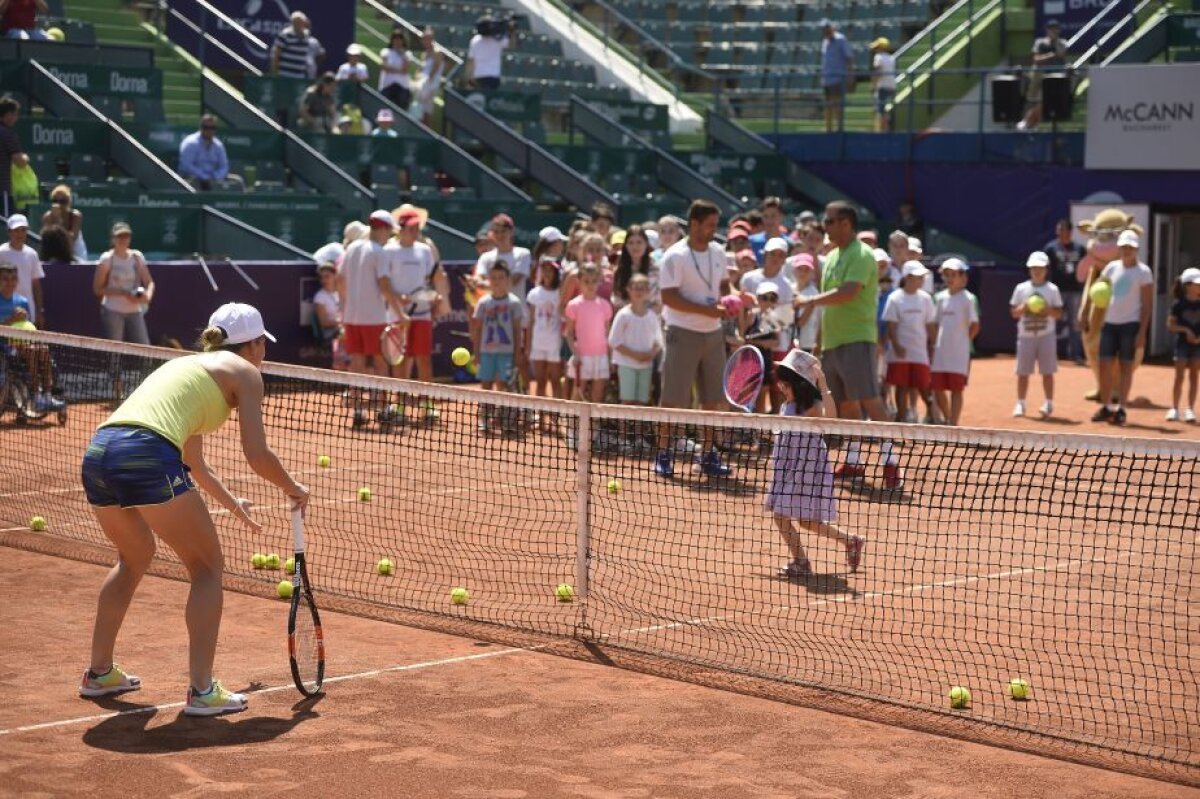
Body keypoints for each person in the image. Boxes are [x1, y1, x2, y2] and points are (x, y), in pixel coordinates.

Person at [79, 302, 309, 716]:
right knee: (206, 568)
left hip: (99, 453)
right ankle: (202, 691)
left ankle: (99, 672)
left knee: (134, 557)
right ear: (254, 345)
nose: (263, 353)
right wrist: (293, 488)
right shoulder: (246, 373)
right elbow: (257, 454)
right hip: (145, 452)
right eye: (262, 344)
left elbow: (195, 463)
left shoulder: (188, 367)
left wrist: (232, 505)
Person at [795, 201, 901, 489]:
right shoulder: (831, 257)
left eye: (830, 222)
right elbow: (828, 306)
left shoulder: (862, 254)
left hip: (857, 339)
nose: (825, 227)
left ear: (846, 224)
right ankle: (854, 461)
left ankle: (891, 462)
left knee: (871, 400)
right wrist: (819, 345)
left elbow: (848, 293)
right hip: (832, 341)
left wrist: (809, 300)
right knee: (846, 404)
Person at [766, 348, 864, 580]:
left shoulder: (812, 406)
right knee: (805, 521)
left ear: (799, 384)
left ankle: (801, 562)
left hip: (807, 468)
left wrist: (823, 383)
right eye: (781, 383)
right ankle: (850, 541)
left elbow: (831, 419)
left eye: (785, 383)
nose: (781, 387)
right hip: (788, 467)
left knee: (789, 516)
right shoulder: (786, 405)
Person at [655, 199, 734, 478]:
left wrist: (734, 299)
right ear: (694, 224)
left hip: (713, 334)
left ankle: (708, 454)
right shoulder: (675, 256)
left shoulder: (718, 252)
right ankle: (663, 454)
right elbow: (669, 297)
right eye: (710, 225)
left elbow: (724, 286)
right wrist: (707, 310)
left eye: (715, 224)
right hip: (682, 332)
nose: (714, 230)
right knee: (673, 400)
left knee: (712, 400)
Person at [381, 207, 445, 420]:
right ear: (400, 229)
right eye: (411, 228)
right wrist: (399, 298)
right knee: (400, 360)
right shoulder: (389, 250)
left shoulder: (425, 250)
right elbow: (384, 282)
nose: (415, 231)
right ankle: (399, 405)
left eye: (417, 227)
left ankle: (427, 405)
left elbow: (430, 281)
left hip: (422, 314)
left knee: (424, 360)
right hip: (397, 315)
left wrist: (434, 298)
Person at [1085, 230, 1154, 425]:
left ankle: (1122, 409)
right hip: (1109, 324)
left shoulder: (1143, 272)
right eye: (1124, 247)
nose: (1126, 250)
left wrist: (1142, 332)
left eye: (1130, 247)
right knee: (1104, 365)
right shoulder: (1111, 268)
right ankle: (1107, 407)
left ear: (1136, 249)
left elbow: (1147, 305)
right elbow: (1100, 289)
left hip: (1130, 326)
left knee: (1125, 367)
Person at [339, 210, 398, 425]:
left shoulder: (352, 248)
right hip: (374, 318)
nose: (389, 236)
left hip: (351, 317)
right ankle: (383, 410)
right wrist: (401, 313)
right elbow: (384, 285)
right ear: (383, 228)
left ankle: (358, 412)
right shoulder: (379, 252)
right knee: (381, 363)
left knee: (357, 363)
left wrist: (345, 308)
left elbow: (340, 280)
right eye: (390, 232)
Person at [470, 260, 526, 432]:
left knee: (505, 385)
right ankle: (485, 418)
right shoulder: (483, 302)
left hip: (506, 353)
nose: (497, 281)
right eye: (493, 277)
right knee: (486, 385)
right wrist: (476, 352)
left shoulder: (514, 303)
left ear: (508, 280)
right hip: (486, 352)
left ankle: (505, 418)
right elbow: (478, 329)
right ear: (489, 279)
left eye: (501, 277)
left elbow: (517, 330)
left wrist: (517, 353)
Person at [0, 261, 60, 411]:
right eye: (5, 279)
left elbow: (27, 327)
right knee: (32, 351)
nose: (10, 282)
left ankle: (47, 395)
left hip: (22, 344)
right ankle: (35, 395)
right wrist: (11, 320)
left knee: (43, 349)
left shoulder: (22, 301)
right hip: (3, 347)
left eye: (13, 278)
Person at [1010, 251, 1063, 418]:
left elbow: (1058, 313)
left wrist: (1047, 309)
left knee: (1047, 371)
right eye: (1033, 268)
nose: (1036, 271)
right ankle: (1020, 403)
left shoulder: (1052, 289)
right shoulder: (1021, 289)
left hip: (1046, 335)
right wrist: (1024, 307)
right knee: (1022, 372)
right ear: (1029, 269)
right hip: (1025, 336)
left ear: (1046, 269)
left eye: (1040, 268)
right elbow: (1014, 313)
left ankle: (1048, 403)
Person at [882, 261, 936, 424]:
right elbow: (891, 326)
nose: (922, 280)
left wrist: (934, 346)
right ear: (908, 278)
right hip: (900, 353)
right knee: (901, 386)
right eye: (919, 277)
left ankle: (933, 417)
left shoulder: (926, 298)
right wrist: (897, 346)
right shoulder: (894, 298)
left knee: (924, 386)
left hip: (920, 352)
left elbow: (930, 325)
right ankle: (900, 418)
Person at [930, 258, 979, 426]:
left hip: (959, 354)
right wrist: (936, 343)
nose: (949, 278)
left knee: (957, 389)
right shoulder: (939, 298)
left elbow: (975, 325)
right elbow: (935, 324)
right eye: (946, 275)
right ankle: (947, 420)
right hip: (940, 353)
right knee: (937, 389)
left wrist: (963, 343)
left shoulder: (968, 299)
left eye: (953, 275)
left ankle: (953, 424)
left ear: (963, 277)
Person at [608, 273, 661, 406]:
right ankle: (624, 422)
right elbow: (614, 341)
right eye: (635, 288)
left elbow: (658, 341)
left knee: (641, 403)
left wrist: (650, 355)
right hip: (626, 364)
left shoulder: (652, 316)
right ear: (628, 290)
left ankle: (638, 423)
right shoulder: (623, 315)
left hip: (646, 366)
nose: (638, 291)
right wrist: (635, 355)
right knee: (627, 401)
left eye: (642, 288)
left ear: (648, 292)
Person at [564, 263, 613, 403]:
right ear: (579, 282)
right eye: (586, 281)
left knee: (597, 397)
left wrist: (610, 358)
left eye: (594, 281)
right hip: (582, 356)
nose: (590, 285)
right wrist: (575, 353)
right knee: (578, 395)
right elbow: (569, 333)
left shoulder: (605, 305)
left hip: (601, 356)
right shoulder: (573, 305)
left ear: (599, 282)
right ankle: (573, 418)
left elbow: (607, 333)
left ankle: (593, 418)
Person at [1043, 218, 1085, 363]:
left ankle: (1076, 355)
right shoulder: (1050, 248)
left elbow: (1086, 268)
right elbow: (1044, 268)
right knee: (1051, 322)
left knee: (1075, 323)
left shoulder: (1079, 249)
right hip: (1056, 291)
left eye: (1062, 229)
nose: (1059, 232)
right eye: (1058, 230)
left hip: (1075, 290)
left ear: (1069, 231)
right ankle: (1049, 354)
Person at [525, 257, 564, 414]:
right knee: (540, 381)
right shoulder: (535, 293)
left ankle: (557, 417)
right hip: (538, 343)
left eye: (551, 271)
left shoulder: (560, 293)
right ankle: (540, 417)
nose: (547, 274)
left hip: (554, 343)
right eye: (545, 270)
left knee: (555, 380)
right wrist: (528, 345)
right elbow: (531, 321)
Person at [1166, 268, 1200, 423]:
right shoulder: (1178, 304)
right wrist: (1186, 330)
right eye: (1197, 284)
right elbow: (1171, 325)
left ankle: (1190, 410)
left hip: (1197, 346)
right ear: (1187, 286)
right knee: (1179, 376)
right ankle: (1174, 409)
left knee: (1194, 376)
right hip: (1182, 345)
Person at [1020, 19, 1067, 131]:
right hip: (1038, 75)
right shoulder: (1040, 42)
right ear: (1047, 30)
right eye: (1051, 29)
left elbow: (1060, 54)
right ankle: (1027, 123)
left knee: (1045, 101)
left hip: (1054, 78)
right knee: (1032, 100)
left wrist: (1053, 46)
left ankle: (1030, 122)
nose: (1053, 31)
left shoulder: (1062, 42)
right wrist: (1050, 55)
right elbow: (1037, 60)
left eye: (1055, 28)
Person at [473, 213, 531, 301]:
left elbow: (512, 282)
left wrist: (483, 284)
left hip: (516, 309)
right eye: (496, 232)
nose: (500, 235)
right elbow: (478, 279)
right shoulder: (485, 257)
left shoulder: (523, 254)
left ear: (511, 232)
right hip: (490, 308)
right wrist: (474, 281)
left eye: (503, 231)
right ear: (492, 234)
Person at [0, 213, 43, 328]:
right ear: (9, 232)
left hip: (26, 308)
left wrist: (39, 312)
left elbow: (36, 285)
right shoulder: (1, 252)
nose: (20, 234)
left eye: (23, 230)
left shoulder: (32, 254)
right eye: (16, 230)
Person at [177, 115, 241, 191]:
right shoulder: (190, 143)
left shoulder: (218, 145)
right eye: (206, 128)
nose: (209, 131)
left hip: (214, 179)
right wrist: (204, 176)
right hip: (193, 178)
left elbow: (224, 166)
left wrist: (215, 176)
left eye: (212, 128)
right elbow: (186, 166)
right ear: (201, 127)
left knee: (238, 181)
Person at [311, 261, 349, 371]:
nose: (324, 280)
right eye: (322, 277)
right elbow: (324, 322)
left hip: (343, 329)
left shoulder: (341, 293)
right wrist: (341, 323)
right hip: (330, 333)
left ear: (335, 276)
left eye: (327, 276)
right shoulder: (319, 297)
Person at [819, 19, 855, 133]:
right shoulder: (825, 42)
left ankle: (839, 129)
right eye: (823, 29)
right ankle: (828, 130)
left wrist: (850, 75)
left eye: (827, 28)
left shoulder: (841, 39)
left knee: (837, 105)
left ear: (831, 28)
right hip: (827, 79)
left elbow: (849, 58)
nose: (825, 31)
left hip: (838, 78)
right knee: (827, 105)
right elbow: (825, 61)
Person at [612, 224, 656, 312]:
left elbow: (658, 301)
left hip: (650, 315)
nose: (635, 246)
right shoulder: (619, 270)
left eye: (639, 242)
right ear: (626, 246)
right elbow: (616, 299)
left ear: (646, 244)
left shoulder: (656, 269)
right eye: (631, 243)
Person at [40, 183, 86, 262]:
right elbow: (46, 241)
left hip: (76, 251)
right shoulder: (47, 217)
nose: (59, 205)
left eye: (63, 201)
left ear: (69, 202)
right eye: (55, 201)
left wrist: (58, 221)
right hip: (55, 252)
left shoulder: (76, 216)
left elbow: (70, 242)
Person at [272, 11, 323, 79]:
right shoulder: (284, 35)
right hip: (283, 75)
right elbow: (276, 56)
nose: (297, 24)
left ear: (304, 23)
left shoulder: (306, 36)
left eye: (300, 22)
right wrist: (275, 73)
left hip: (299, 77)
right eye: (295, 22)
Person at [1, 95, 28, 218]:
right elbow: (20, 162)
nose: (16, 118)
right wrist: (25, 158)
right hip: (2, 191)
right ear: (8, 115)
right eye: (15, 114)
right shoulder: (7, 134)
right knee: (6, 225)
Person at [466, 15, 510, 90]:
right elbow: (511, 44)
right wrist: (509, 30)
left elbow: (471, 61)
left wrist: (469, 76)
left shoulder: (475, 40)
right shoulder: (497, 39)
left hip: (479, 75)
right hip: (491, 76)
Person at [414, 27, 445, 124]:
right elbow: (420, 69)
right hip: (423, 84)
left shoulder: (437, 52)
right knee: (421, 108)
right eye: (424, 39)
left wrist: (427, 82)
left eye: (428, 39)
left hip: (431, 84)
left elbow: (435, 69)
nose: (426, 41)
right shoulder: (424, 54)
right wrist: (417, 78)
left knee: (426, 109)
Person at [792, 253, 821, 353]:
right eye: (800, 269)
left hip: (806, 343)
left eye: (807, 270)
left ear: (812, 273)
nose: (803, 273)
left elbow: (801, 322)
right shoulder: (790, 289)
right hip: (789, 342)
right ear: (794, 270)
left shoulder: (813, 293)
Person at [377, 28, 412, 110]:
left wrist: (402, 54)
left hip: (402, 87)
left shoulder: (407, 54)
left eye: (400, 39)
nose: (397, 41)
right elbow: (384, 67)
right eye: (395, 39)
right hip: (386, 87)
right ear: (392, 40)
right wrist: (399, 70)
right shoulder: (385, 52)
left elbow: (405, 70)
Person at [870, 37, 895, 133]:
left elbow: (878, 71)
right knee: (886, 109)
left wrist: (873, 84)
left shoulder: (878, 57)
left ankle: (882, 131)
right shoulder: (891, 58)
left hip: (882, 86)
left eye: (877, 48)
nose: (875, 50)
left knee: (881, 110)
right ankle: (886, 129)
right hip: (891, 86)